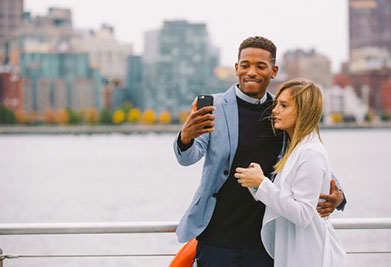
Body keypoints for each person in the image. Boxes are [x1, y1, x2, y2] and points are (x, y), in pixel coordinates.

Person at [173, 36, 346, 267]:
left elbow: (309, 160)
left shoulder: (282, 113)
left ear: (273, 71)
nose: (251, 72)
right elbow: (188, 158)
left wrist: (339, 195)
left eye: (260, 66)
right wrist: (186, 137)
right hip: (216, 239)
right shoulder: (214, 107)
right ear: (236, 68)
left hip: (265, 242)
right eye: (245, 65)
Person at [234, 79, 346, 266]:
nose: (275, 110)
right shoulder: (295, 150)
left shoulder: (311, 153)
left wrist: (261, 184)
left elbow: (302, 214)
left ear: (303, 111)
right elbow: (284, 198)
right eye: (276, 104)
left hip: (309, 254)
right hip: (293, 250)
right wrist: (255, 185)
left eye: (283, 105)